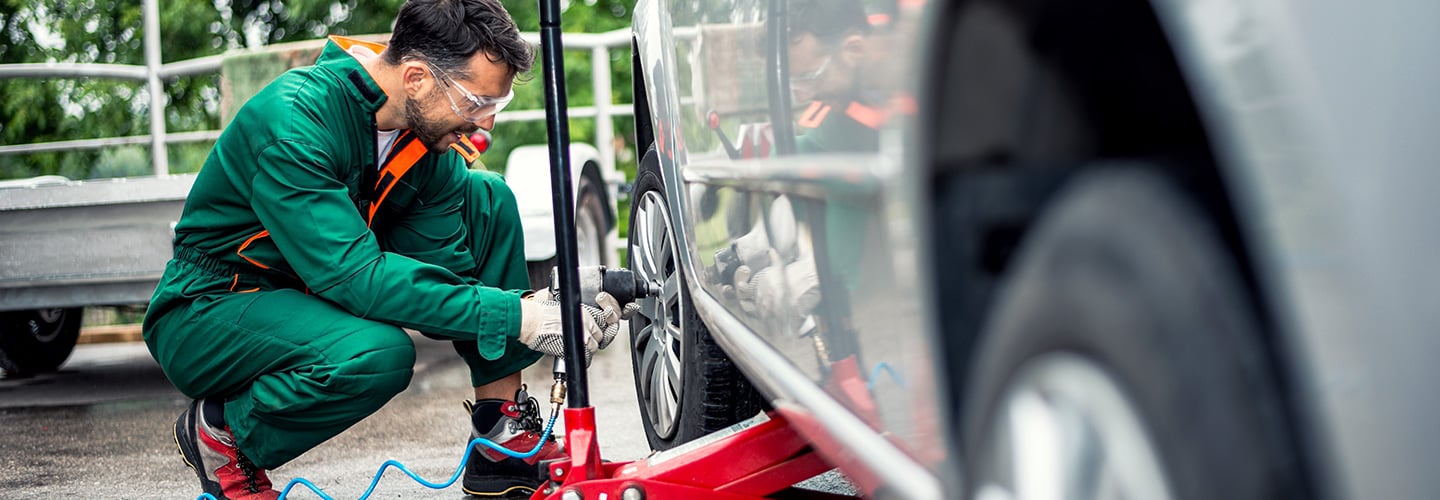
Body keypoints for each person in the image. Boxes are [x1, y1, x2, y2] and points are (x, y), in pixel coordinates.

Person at [142, 1, 623, 498]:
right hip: (211, 307)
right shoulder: (294, 122)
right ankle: (225, 436)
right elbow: (356, 278)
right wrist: (521, 317)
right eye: (476, 101)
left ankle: (501, 437)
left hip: (309, 293)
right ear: (416, 77)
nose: (487, 124)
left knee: (487, 199)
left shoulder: (422, 142)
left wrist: (548, 308)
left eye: (494, 107)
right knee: (376, 355)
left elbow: (451, 288)